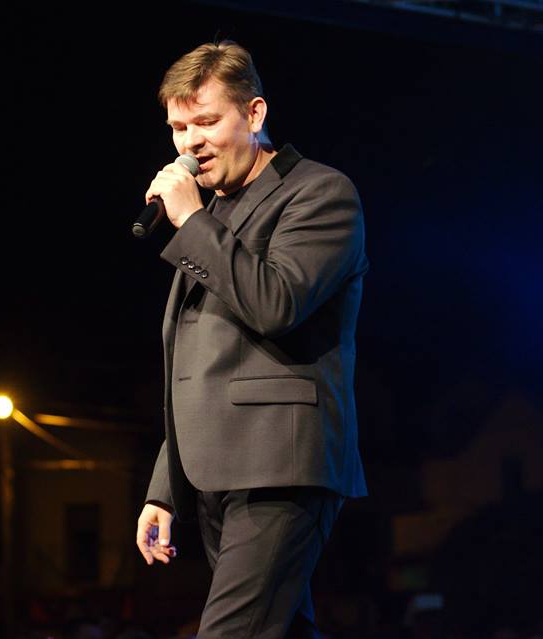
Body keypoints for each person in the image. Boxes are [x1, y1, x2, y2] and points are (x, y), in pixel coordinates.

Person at [135, 41, 369, 638]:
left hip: (281, 471)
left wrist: (192, 220)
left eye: (207, 121)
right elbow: (197, 365)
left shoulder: (319, 194)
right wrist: (165, 489)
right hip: (214, 475)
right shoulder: (212, 216)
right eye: (179, 128)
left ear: (255, 113)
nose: (190, 143)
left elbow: (276, 303)